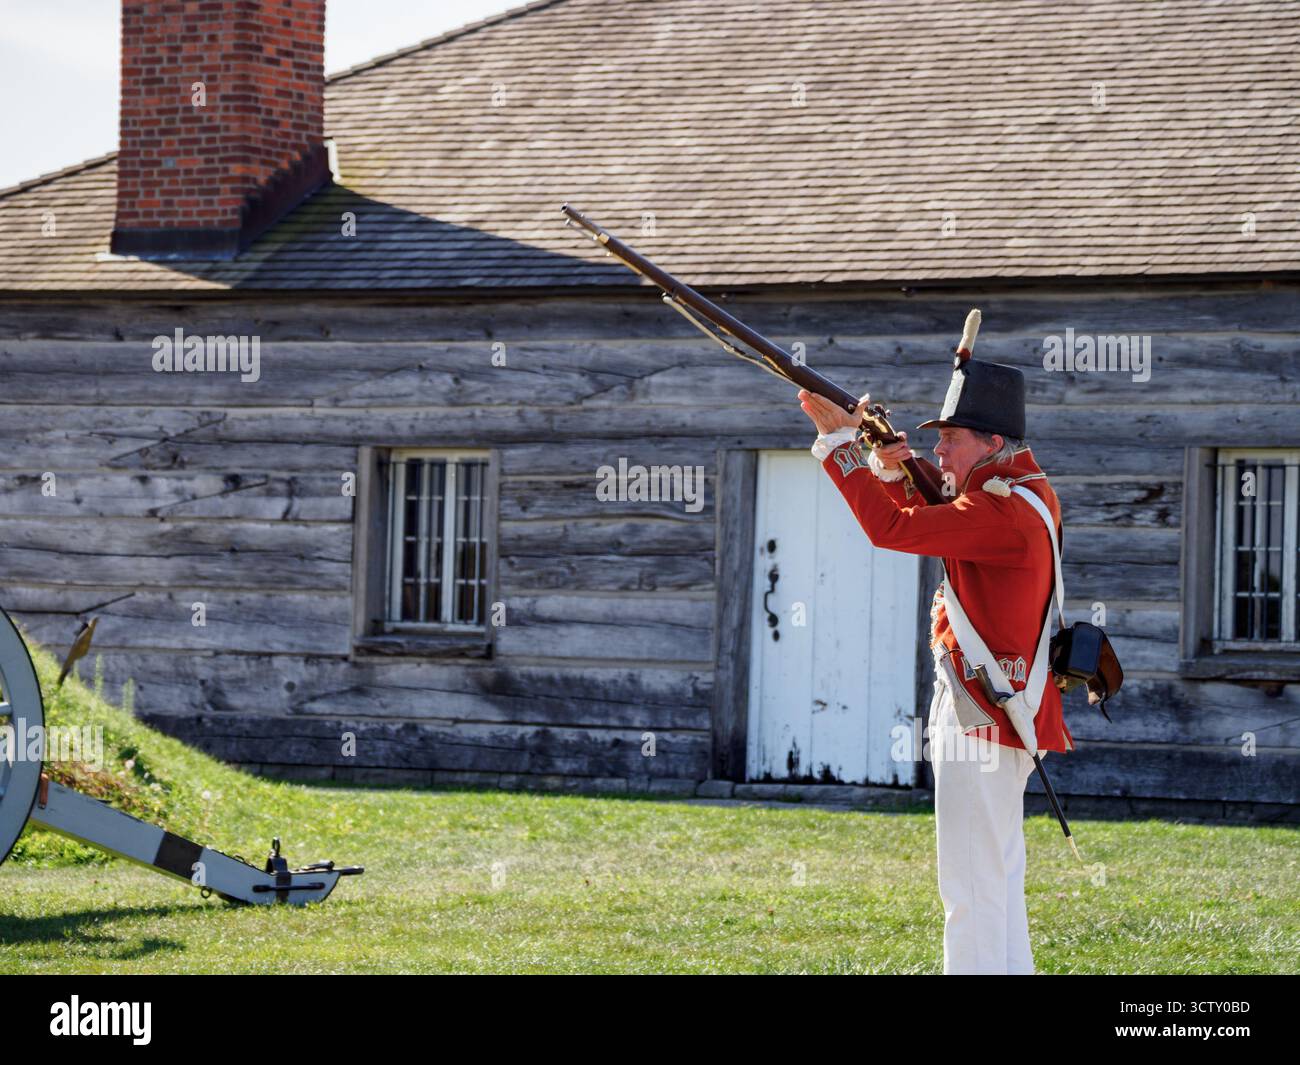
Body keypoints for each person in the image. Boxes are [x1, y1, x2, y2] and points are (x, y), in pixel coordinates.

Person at [798, 349, 1072, 975]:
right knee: (994, 874)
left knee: (971, 885)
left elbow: (892, 529)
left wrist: (841, 445)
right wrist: (894, 463)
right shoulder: (1017, 490)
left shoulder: (1001, 508)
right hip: (997, 708)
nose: (940, 452)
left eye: (950, 439)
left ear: (992, 441)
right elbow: (939, 508)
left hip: (982, 710)